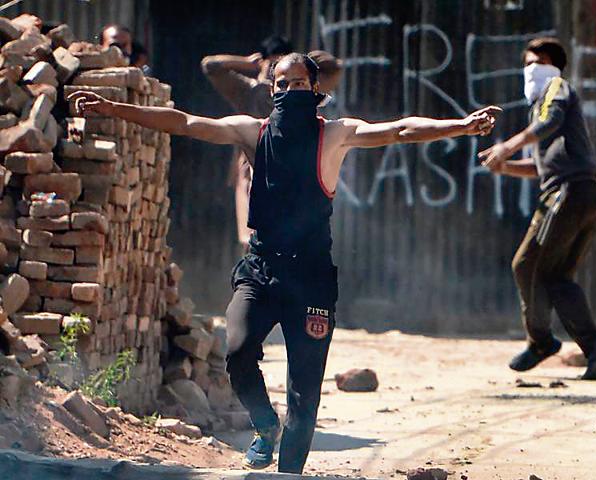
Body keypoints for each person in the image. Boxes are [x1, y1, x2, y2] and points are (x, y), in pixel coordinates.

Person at [69, 52, 500, 474]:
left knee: (304, 395)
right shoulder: (251, 132)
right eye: (282, 83)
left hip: (310, 278)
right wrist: (113, 108)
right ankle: (264, 424)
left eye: (299, 83)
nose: (290, 90)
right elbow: (184, 123)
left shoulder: (336, 134)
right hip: (260, 269)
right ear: (271, 88)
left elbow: (401, 130)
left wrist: (459, 127)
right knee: (237, 353)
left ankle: (288, 472)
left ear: (315, 89)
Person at [479, 37, 596, 381]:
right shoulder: (539, 106)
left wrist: (508, 145)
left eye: (536, 62)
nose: (529, 70)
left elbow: (549, 122)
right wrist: (505, 166)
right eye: (525, 63)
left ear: (552, 65)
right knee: (547, 273)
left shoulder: (556, 89)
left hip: (568, 194)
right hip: (579, 194)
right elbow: (542, 167)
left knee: (532, 266)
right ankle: (592, 345)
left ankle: (545, 342)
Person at [201, 36, 343, 248]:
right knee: (253, 238)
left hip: (295, 172)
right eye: (274, 70)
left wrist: (310, 63)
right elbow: (210, 66)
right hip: (258, 171)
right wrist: (248, 63)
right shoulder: (250, 91)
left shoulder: (302, 91)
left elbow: (335, 70)